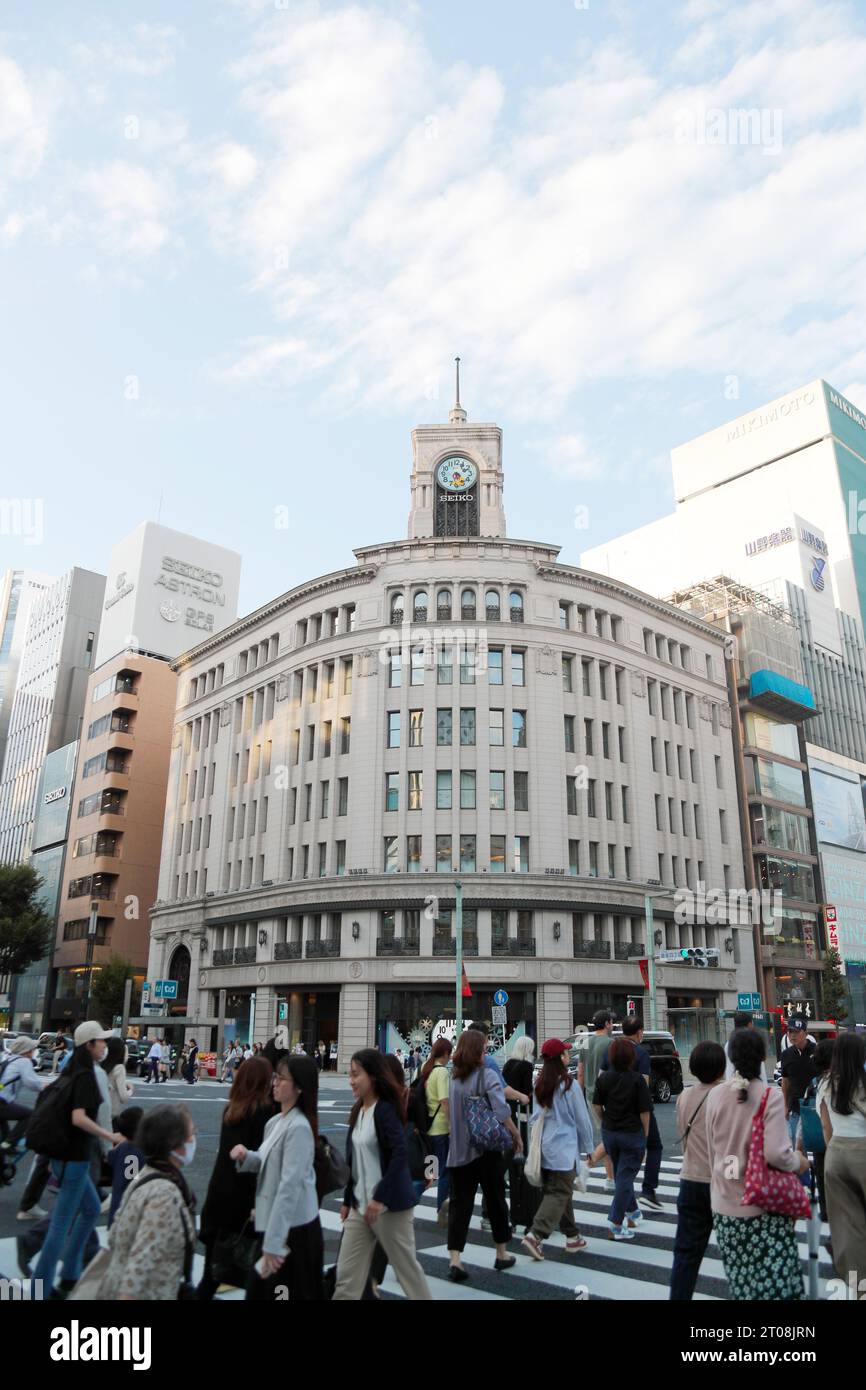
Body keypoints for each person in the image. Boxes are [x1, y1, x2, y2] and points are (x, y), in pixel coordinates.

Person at [706, 1027, 808, 1300]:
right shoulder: (769, 1096)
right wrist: (799, 1162)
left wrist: (731, 1168)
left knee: (742, 1284)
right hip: (761, 1207)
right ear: (763, 1057)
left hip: (724, 1206)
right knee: (776, 1286)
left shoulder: (715, 1095)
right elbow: (776, 1154)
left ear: (731, 1057)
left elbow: (715, 1150)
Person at [33, 1021, 124, 1298]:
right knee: (61, 1224)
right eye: (101, 1041)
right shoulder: (87, 1075)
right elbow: (80, 1118)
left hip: (64, 1156)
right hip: (75, 1157)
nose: (105, 1046)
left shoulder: (71, 1071)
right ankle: (42, 1288)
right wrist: (110, 1138)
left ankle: (70, 1272)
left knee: (91, 1208)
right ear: (89, 1045)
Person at [332, 1048, 431, 1300]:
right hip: (359, 1206)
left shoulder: (385, 1110)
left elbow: (399, 1156)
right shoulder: (359, 1111)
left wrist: (379, 1197)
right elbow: (356, 1160)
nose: (351, 1080)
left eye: (356, 1074)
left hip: (390, 1207)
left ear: (373, 1077)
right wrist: (347, 1200)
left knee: (407, 1270)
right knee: (346, 1277)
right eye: (350, 1074)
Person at [77, 1104, 197, 1300]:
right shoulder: (163, 1193)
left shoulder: (146, 1174)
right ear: (174, 1143)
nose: (193, 1140)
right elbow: (142, 1260)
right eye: (191, 1134)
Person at [231, 1054, 323, 1301]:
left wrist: (273, 1244)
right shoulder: (274, 1122)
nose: (274, 1083)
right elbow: (264, 1160)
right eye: (275, 1077)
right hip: (275, 1224)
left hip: (293, 1230)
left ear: (299, 1087)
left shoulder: (300, 1128)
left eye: (281, 1078)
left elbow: (289, 1188)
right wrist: (245, 1157)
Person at [445, 1028, 522, 1283]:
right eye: (484, 1047)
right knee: (496, 1200)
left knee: (460, 1204)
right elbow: (501, 1111)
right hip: (486, 1151)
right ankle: (501, 1253)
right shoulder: (487, 1075)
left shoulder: (453, 1079)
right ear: (478, 1050)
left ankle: (455, 1258)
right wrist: (514, 1134)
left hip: (458, 1152)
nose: (486, 1050)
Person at [198, 1055, 274, 1299]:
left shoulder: (231, 1109)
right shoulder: (264, 1111)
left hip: (219, 1194)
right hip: (243, 1200)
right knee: (256, 1272)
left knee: (212, 1272)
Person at [522, 1038, 594, 1260]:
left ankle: (573, 1237)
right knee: (559, 1192)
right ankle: (536, 1235)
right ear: (559, 1058)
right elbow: (582, 1119)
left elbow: (535, 1118)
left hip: (545, 1148)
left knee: (559, 1192)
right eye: (565, 1053)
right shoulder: (569, 1086)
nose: (567, 1056)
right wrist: (589, 1147)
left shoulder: (540, 1085)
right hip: (564, 1148)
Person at [669, 1040, 727, 1300]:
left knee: (686, 1254)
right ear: (721, 1067)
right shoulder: (728, 1096)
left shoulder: (685, 1096)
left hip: (691, 1179)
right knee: (738, 1254)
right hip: (723, 1182)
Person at [599, 1016, 664, 1210]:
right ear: (639, 1032)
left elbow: (602, 1077)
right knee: (654, 1146)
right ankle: (648, 1190)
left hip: (612, 1111)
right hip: (638, 1110)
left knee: (619, 1158)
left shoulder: (611, 1050)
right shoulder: (641, 1053)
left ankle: (630, 1206)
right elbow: (643, 1083)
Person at [818, 1031, 866, 1288]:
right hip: (862, 1150)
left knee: (848, 1230)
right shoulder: (863, 1080)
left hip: (836, 1153)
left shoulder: (826, 1083)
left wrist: (833, 1150)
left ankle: (859, 1288)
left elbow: (826, 1126)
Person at [592, 1036, 651, 1240]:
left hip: (610, 1132)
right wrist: (646, 1135)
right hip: (631, 1133)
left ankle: (632, 1213)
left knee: (620, 1174)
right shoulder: (636, 1080)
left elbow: (597, 1106)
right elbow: (645, 1112)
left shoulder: (603, 1078)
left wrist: (604, 1120)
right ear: (631, 1057)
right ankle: (616, 1223)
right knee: (625, 1177)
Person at [579, 1010, 616, 1190]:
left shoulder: (585, 1042)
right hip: (607, 1096)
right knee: (610, 1135)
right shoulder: (611, 1043)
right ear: (607, 1024)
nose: (612, 1025)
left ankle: (610, 1179)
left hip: (589, 1095)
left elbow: (580, 1072)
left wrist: (580, 1094)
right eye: (611, 1022)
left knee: (606, 1133)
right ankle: (587, 1165)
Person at [503, 1035, 536, 1232]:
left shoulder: (508, 1064)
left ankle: (508, 1173)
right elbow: (527, 1091)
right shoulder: (526, 1066)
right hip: (522, 1112)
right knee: (521, 1143)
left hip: (507, 1110)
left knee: (509, 1147)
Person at [421, 1037, 453, 1226]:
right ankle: (442, 1207)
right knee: (445, 1170)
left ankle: (413, 1199)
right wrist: (451, 1125)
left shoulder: (425, 1068)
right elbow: (445, 1100)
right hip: (440, 1128)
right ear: (446, 1054)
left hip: (427, 1128)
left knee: (429, 1170)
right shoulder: (441, 1072)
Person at [780, 1017, 817, 1174]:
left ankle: (819, 1177)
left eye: (796, 1032)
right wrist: (785, 1105)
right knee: (797, 1150)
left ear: (805, 1033)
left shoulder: (817, 1050)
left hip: (815, 1108)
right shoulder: (786, 1054)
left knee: (818, 1146)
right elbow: (786, 1081)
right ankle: (803, 1184)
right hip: (796, 1108)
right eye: (790, 1032)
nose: (792, 1035)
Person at [0, 1036, 49, 1150]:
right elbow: (32, 1083)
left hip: (2, 1100)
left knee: (4, 1129)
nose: (34, 1052)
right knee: (29, 1115)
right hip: (2, 1102)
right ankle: (7, 1145)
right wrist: (45, 1087)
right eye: (33, 1049)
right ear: (27, 1051)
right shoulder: (23, 1062)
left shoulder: (7, 1058)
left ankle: (7, 1148)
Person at [106, 1106, 145, 1226]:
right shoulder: (137, 1152)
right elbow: (132, 1180)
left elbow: (110, 1158)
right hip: (127, 1212)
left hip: (115, 1211)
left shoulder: (121, 1149)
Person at [725, 1012, 768, 1082]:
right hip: (755, 1084)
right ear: (749, 1025)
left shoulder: (728, 1044)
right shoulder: (754, 1042)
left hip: (733, 1084)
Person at [102, 1037, 134, 1121]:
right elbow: (124, 1097)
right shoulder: (120, 1068)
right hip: (112, 1113)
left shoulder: (102, 1065)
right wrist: (131, 1090)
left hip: (99, 1111)